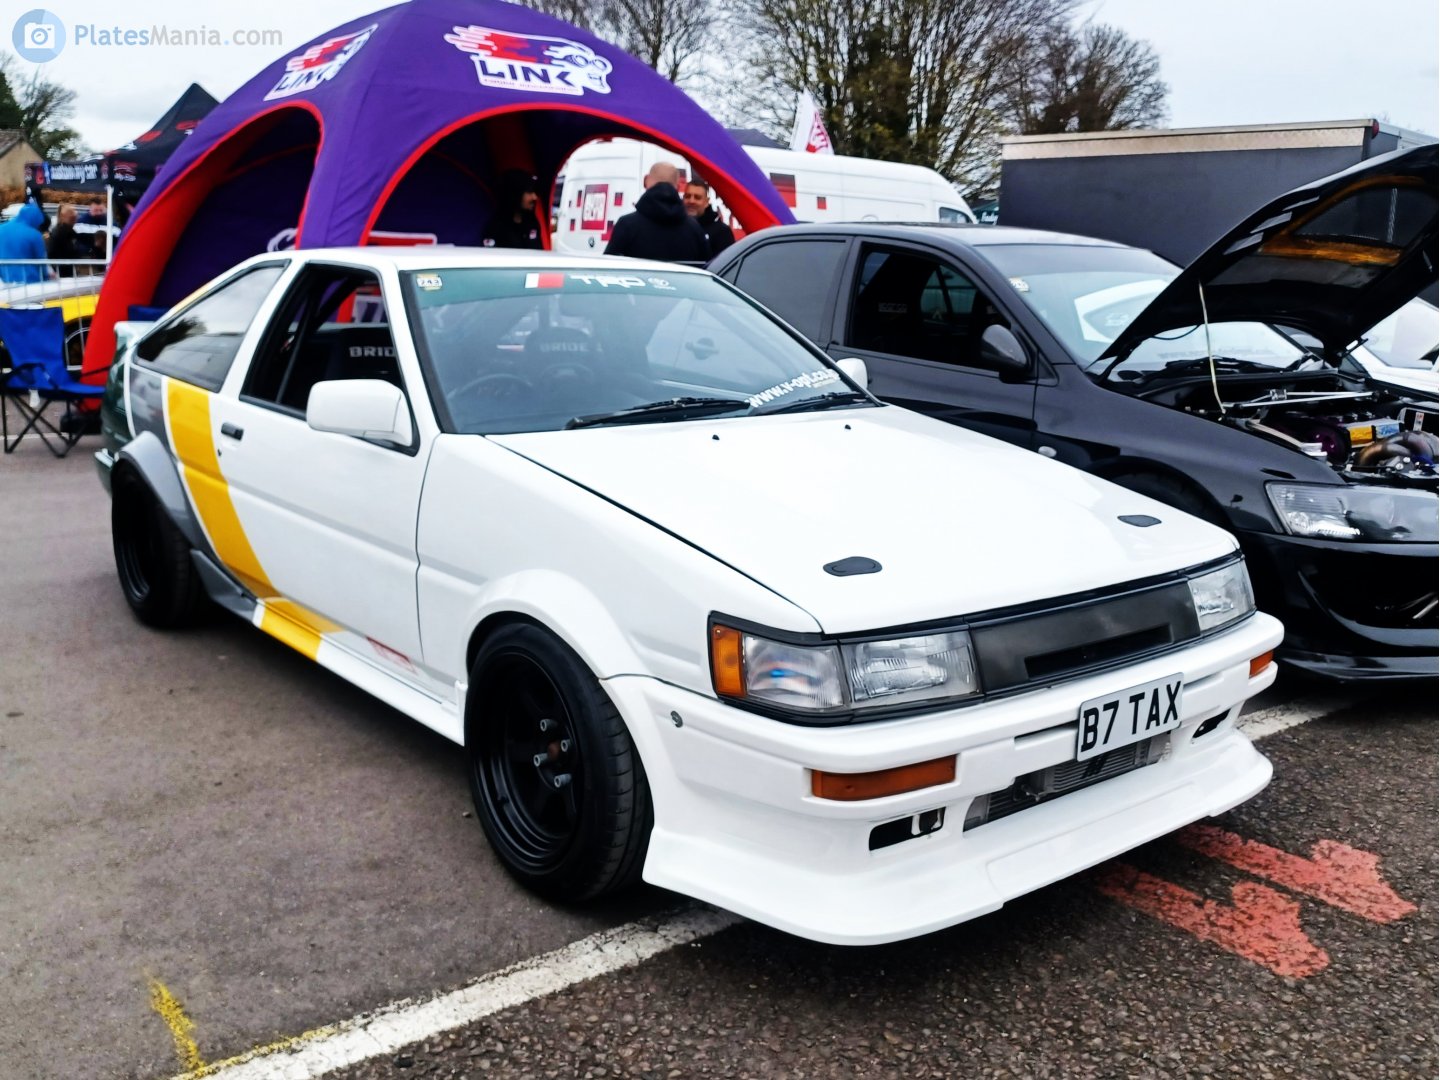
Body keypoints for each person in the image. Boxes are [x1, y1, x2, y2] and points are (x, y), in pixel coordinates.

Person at [604, 162, 708, 263]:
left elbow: (609, 269)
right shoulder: (694, 229)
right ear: (677, 186)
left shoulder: (626, 225)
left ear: (646, 181)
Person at [481, 170, 545, 250]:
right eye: (529, 192)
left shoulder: (532, 222)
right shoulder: (495, 229)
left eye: (535, 192)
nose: (535, 197)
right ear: (514, 193)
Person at [0, 201, 51, 284]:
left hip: (5, 282)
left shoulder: (1, 229)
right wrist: (46, 278)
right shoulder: (34, 235)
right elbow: (41, 261)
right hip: (30, 282)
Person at [683, 179, 735, 258]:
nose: (691, 201)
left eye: (697, 197)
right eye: (687, 196)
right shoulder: (674, 226)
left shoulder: (722, 232)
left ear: (706, 202)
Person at [47, 204, 84, 277]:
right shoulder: (60, 233)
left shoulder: (70, 232)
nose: (76, 221)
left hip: (66, 269)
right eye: (74, 218)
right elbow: (52, 252)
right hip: (62, 271)